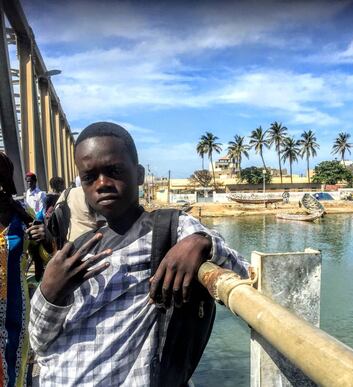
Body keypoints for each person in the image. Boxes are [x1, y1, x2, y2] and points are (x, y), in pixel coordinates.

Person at [29, 122, 249, 386]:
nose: (102, 184)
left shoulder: (169, 229)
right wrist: (50, 294)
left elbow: (243, 273)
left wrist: (202, 243)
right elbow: (40, 343)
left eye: (114, 171)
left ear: (140, 174)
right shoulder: (79, 248)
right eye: (90, 177)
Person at [0, 152, 52, 387]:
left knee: (14, 361)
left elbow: (45, 258)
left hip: (15, 306)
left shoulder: (21, 217)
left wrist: (46, 238)